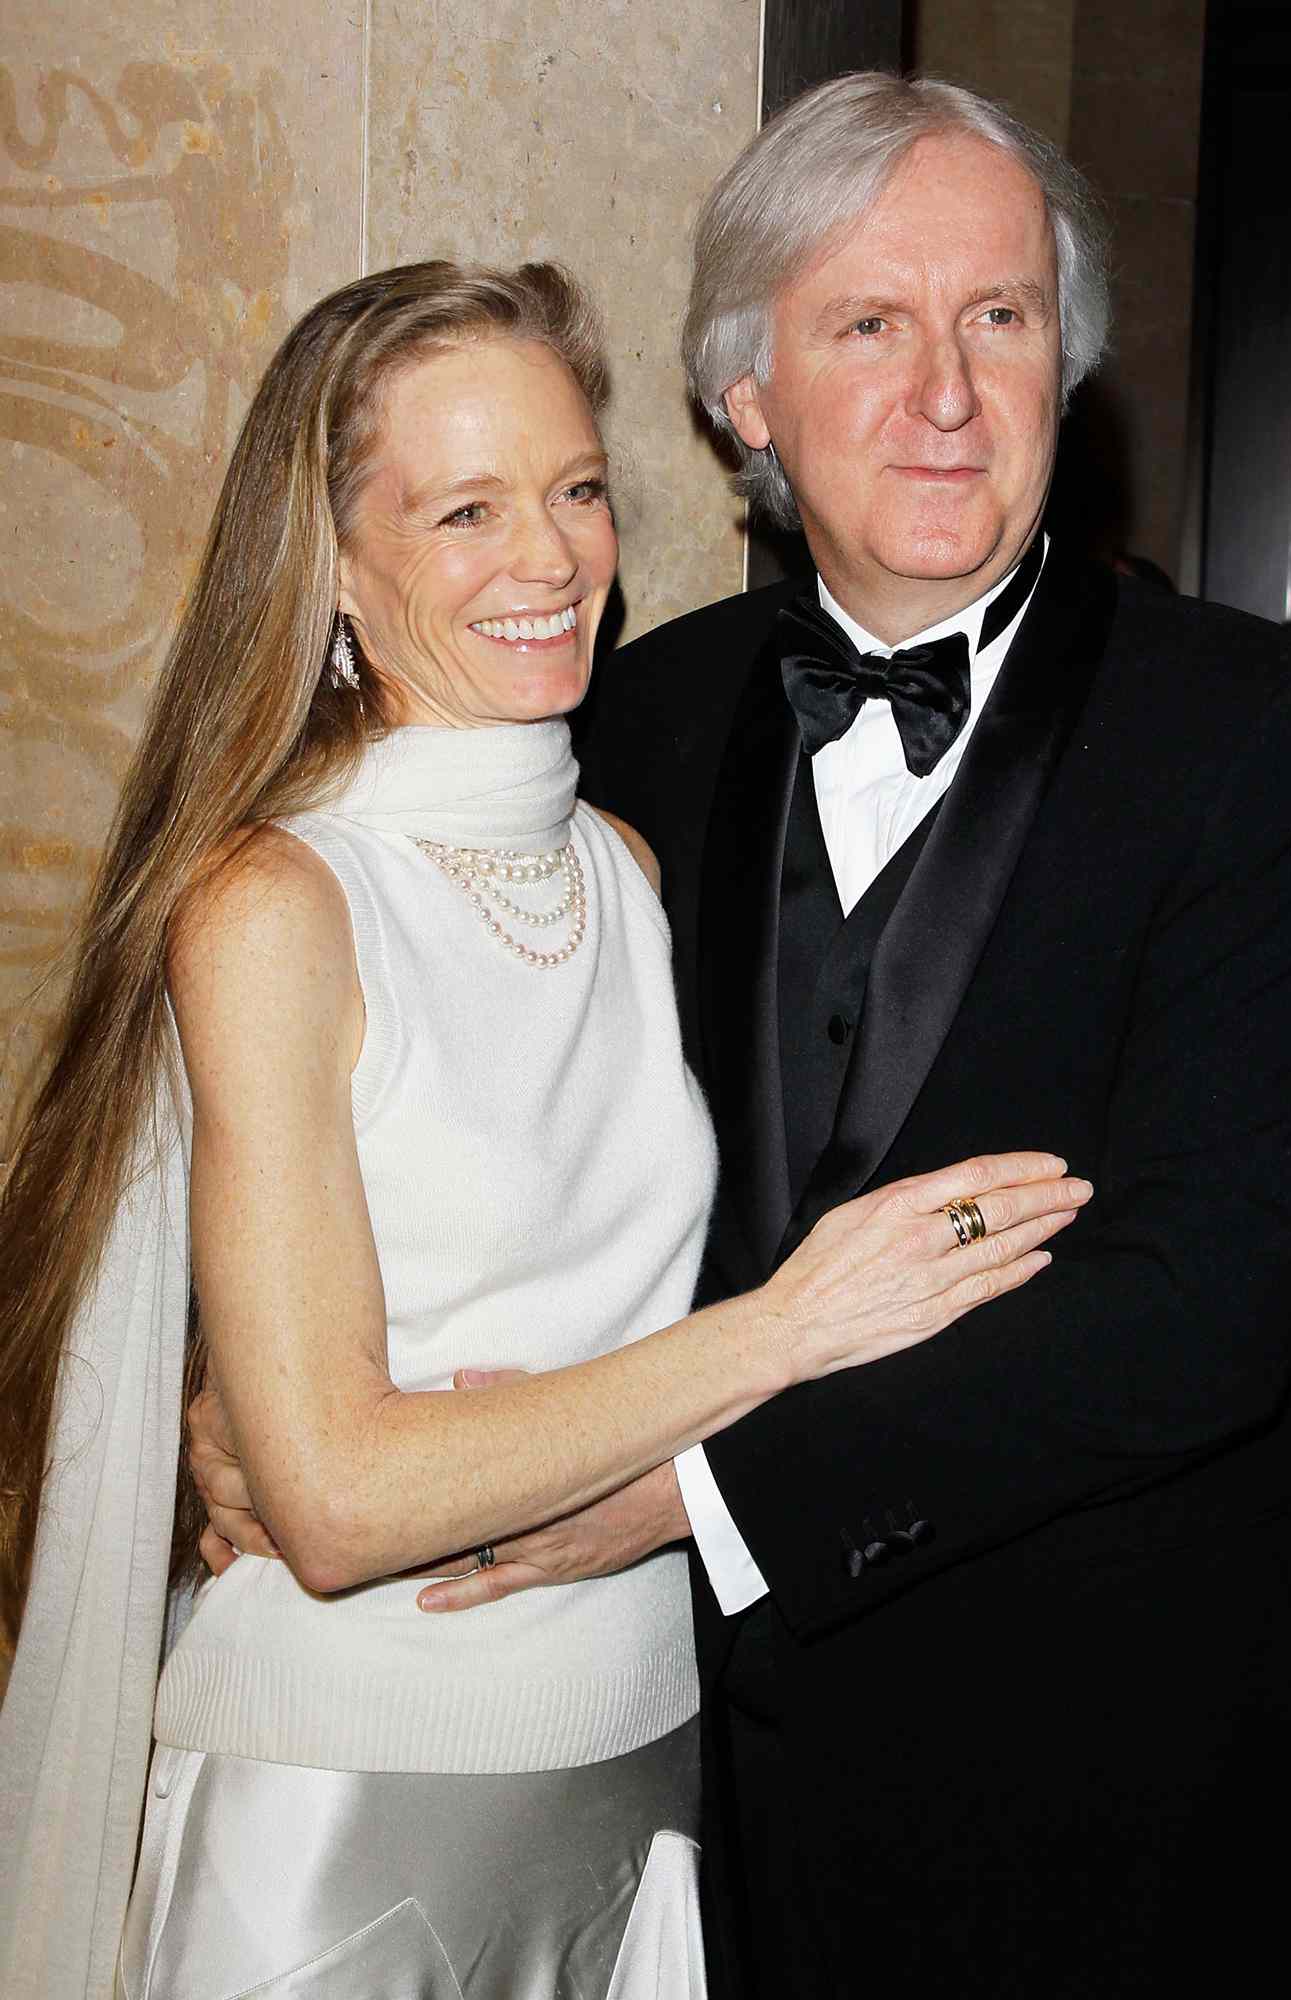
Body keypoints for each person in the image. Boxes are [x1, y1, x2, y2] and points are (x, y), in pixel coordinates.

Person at [191, 76, 1291, 1997]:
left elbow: (1210, 1302)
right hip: (698, 1817)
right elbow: (446, 1132)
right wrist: (253, 1405)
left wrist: (691, 1501)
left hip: (1120, 1820)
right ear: (742, 396)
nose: (943, 390)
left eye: (997, 320)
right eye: (865, 324)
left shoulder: (1268, 738)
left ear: (1064, 371)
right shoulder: (619, 725)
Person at [0, 258, 1087, 2000]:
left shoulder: (626, 866)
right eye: (464, 510)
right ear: (335, 568)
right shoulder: (278, 906)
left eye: (577, 490)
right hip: (351, 1811)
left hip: (645, 1778)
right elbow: (339, 1501)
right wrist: (791, 1326)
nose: (551, 557)